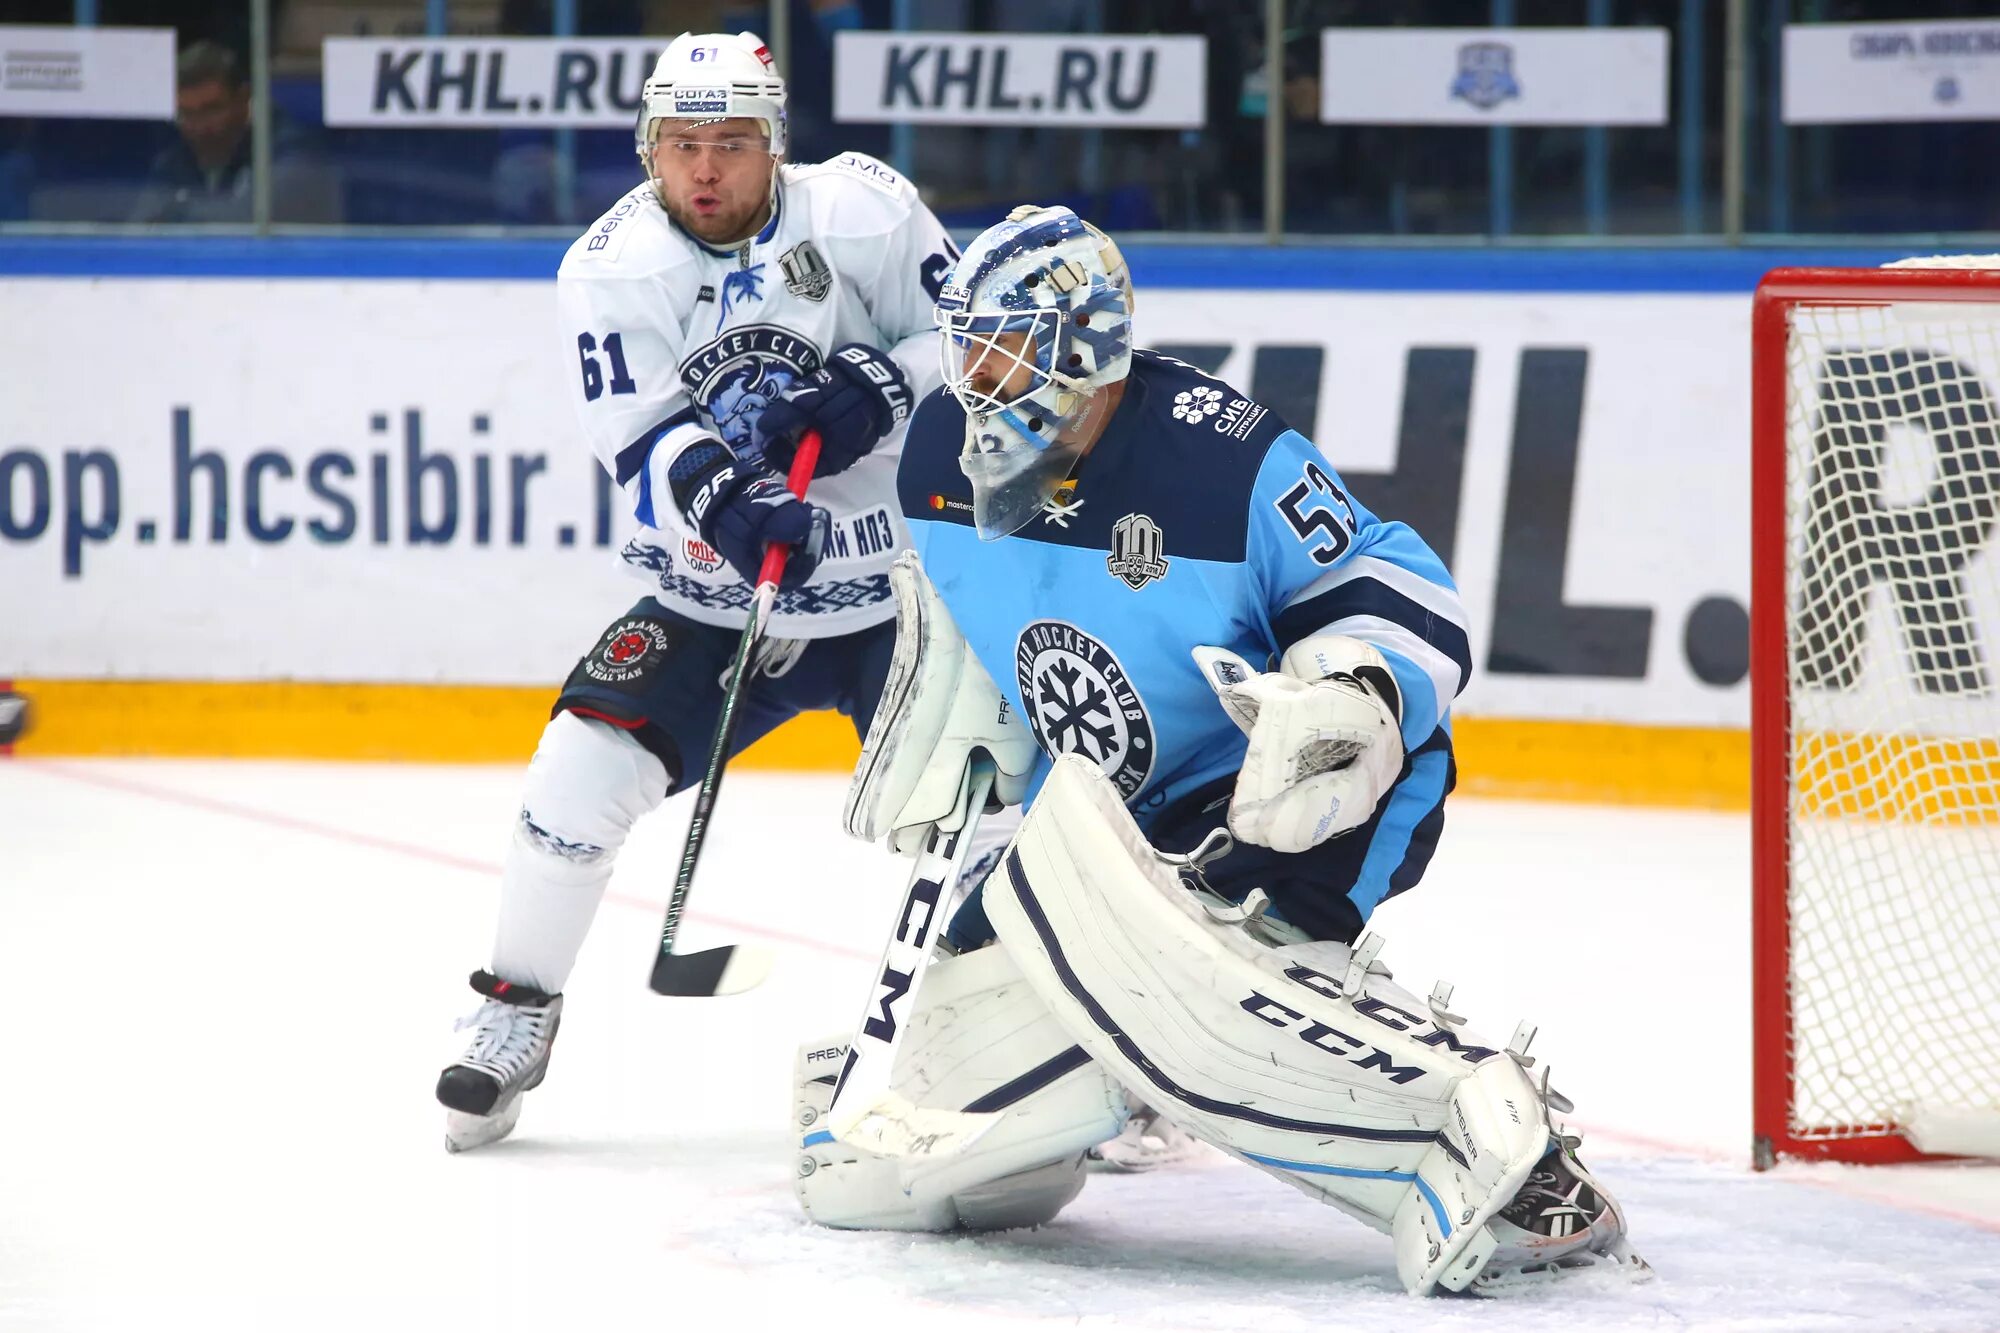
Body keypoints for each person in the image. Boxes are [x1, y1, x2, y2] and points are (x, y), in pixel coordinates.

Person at [790, 206, 1646, 1294]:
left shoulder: (1218, 457)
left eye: (1006, 345)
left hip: (1273, 788)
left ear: (1088, 348)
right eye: (967, 343)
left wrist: (1357, 694)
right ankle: (1119, 1074)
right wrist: (978, 759)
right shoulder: (937, 460)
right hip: (1096, 818)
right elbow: (981, 640)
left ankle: (1504, 1156)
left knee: (1195, 997)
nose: (976, 375)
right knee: (934, 1149)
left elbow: (1398, 583)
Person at [435, 30, 959, 1153]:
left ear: (775, 146)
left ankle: (1042, 1040)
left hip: (895, 594)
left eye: (731, 142)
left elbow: (965, 341)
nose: (706, 169)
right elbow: (637, 430)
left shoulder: (864, 210)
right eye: (682, 144)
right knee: (573, 778)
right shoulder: (611, 265)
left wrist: (880, 383)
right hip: (711, 600)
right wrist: (721, 499)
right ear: (648, 149)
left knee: (981, 818)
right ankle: (514, 1012)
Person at [129, 41, 341, 225]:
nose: (200, 126)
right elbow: (141, 229)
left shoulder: (296, 152)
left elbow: (247, 226)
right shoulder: (177, 157)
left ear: (243, 99)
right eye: (186, 114)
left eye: (211, 110)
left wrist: (177, 212)